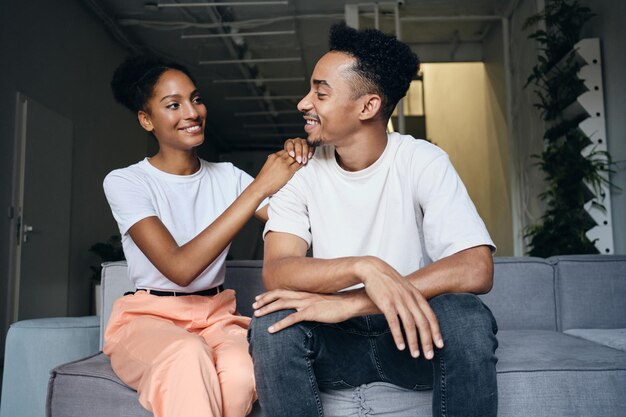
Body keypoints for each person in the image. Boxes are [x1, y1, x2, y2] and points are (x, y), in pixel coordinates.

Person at [249, 22, 499, 417]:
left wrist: (354, 303)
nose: (303, 103)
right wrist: (365, 266)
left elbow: (476, 268)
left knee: (465, 315)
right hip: (335, 347)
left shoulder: (421, 160)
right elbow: (278, 271)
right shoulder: (300, 171)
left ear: (368, 106)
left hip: (410, 340)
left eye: (320, 92)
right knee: (271, 321)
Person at [102, 54, 312, 417]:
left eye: (196, 99)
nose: (192, 112)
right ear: (146, 119)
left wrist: (306, 160)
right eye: (173, 105)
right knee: (187, 354)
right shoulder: (126, 182)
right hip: (148, 318)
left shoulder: (228, 176)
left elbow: (292, 222)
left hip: (216, 317)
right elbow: (180, 268)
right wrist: (259, 187)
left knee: (245, 373)